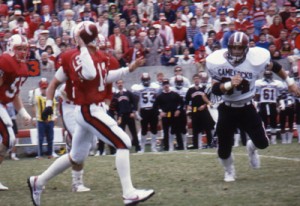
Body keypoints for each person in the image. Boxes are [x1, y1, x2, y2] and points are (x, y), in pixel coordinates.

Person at [27, 21, 154, 206]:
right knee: (124, 142)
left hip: (89, 108)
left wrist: (128, 69)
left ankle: (38, 181)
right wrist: (83, 46)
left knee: (77, 156)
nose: (101, 47)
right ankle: (129, 192)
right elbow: (88, 74)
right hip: (87, 109)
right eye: (96, 41)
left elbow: (103, 78)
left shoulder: (100, 57)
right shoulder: (76, 56)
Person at [206, 31, 300, 182]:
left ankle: (251, 148)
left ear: (246, 49)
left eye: (240, 48)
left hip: (247, 106)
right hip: (227, 107)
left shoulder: (256, 59)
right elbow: (215, 90)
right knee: (223, 150)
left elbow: (275, 66)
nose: (236, 51)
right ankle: (229, 170)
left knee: (262, 143)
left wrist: (289, 82)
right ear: (228, 47)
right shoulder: (216, 62)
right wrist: (230, 84)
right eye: (234, 48)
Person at [0, 34, 31, 190]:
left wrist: (23, 112)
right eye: (19, 48)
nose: (23, 52)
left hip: (3, 104)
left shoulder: (22, 67)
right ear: (11, 48)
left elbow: (14, 94)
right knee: (8, 137)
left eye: (25, 49)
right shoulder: (5, 61)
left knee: (9, 139)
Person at [131, 73, 160, 152]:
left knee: (154, 129)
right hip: (144, 110)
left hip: (153, 109)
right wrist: (136, 111)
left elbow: (158, 99)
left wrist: (159, 109)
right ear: (142, 80)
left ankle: (153, 147)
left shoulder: (155, 86)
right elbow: (135, 101)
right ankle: (142, 148)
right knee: (144, 130)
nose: (146, 82)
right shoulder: (138, 88)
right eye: (144, 80)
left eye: (147, 80)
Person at [153, 79, 184, 151]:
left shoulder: (175, 94)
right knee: (165, 132)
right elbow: (154, 107)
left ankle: (181, 146)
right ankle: (166, 147)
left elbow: (182, 103)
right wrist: (160, 112)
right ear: (162, 86)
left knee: (177, 131)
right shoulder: (160, 96)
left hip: (174, 115)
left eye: (167, 84)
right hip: (166, 116)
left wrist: (178, 110)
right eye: (164, 84)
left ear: (169, 85)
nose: (166, 85)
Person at [185, 74, 215, 149]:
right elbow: (186, 101)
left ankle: (210, 144)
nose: (196, 80)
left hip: (204, 110)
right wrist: (188, 107)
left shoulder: (204, 88)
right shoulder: (190, 90)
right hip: (195, 111)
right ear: (193, 80)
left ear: (200, 79)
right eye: (195, 79)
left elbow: (210, 99)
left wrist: (204, 105)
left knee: (207, 128)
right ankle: (196, 145)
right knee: (195, 129)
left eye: (197, 78)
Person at [255, 70, 284, 144]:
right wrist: (255, 104)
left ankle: (273, 140)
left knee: (273, 122)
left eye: (269, 74)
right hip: (263, 104)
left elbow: (279, 95)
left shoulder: (277, 83)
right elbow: (257, 95)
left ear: (271, 75)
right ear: (264, 75)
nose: (268, 76)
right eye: (266, 74)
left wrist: (281, 103)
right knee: (263, 122)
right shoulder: (259, 83)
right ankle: (265, 138)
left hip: (272, 104)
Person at [113, 79, 141, 153]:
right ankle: (121, 148)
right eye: (118, 83)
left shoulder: (128, 93)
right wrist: (118, 115)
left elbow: (135, 100)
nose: (120, 84)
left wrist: (133, 111)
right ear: (116, 84)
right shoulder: (115, 95)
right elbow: (114, 106)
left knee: (133, 132)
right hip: (121, 116)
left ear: (123, 83)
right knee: (121, 133)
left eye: (121, 83)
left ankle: (138, 148)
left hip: (129, 115)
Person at [32, 78, 57, 159]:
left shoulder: (51, 97)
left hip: (50, 120)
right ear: (40, 88)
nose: (44, 89)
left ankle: (50, 153)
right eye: (43, 88)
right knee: (40, 138)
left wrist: (55, 116)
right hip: (40, 120)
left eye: (45, 87)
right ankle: (40, 154)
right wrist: (33, 118)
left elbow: (54, 107)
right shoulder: (37, 97)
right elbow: (33, 107)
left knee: (50, 137)